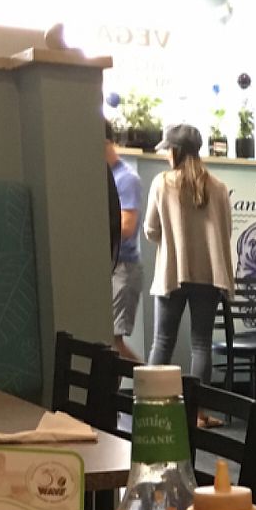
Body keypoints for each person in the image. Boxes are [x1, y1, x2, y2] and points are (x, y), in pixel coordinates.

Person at [144, 122, 234, 427]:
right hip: (208, 276)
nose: (165, 155)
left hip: (172, 273)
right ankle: (199, 414)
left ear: (176, 151)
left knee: (162, 342)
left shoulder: (162, 183)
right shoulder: (219, 187)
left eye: (167, 149)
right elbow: (225, 232)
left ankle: (151, 410)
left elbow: (151, 230)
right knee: (201, 344)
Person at [105, 121, 144, 361]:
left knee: (113, 341)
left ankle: (153, 381)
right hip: (112, 266)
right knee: (110, 342)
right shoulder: (105, 176)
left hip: (124, 267)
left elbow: (127, 227)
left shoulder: (126, 178)